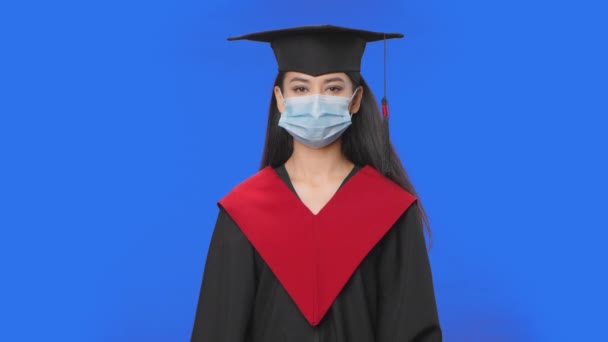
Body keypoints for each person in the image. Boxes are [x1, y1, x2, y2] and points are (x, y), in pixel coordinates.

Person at [191, 24, 442, 342]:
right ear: (280, 99)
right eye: (300, 89)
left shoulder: (391, 209)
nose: (316, 101)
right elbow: (217, 331)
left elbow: (412, 330)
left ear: (355, 100)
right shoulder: (243, 211)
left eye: (333, 88)